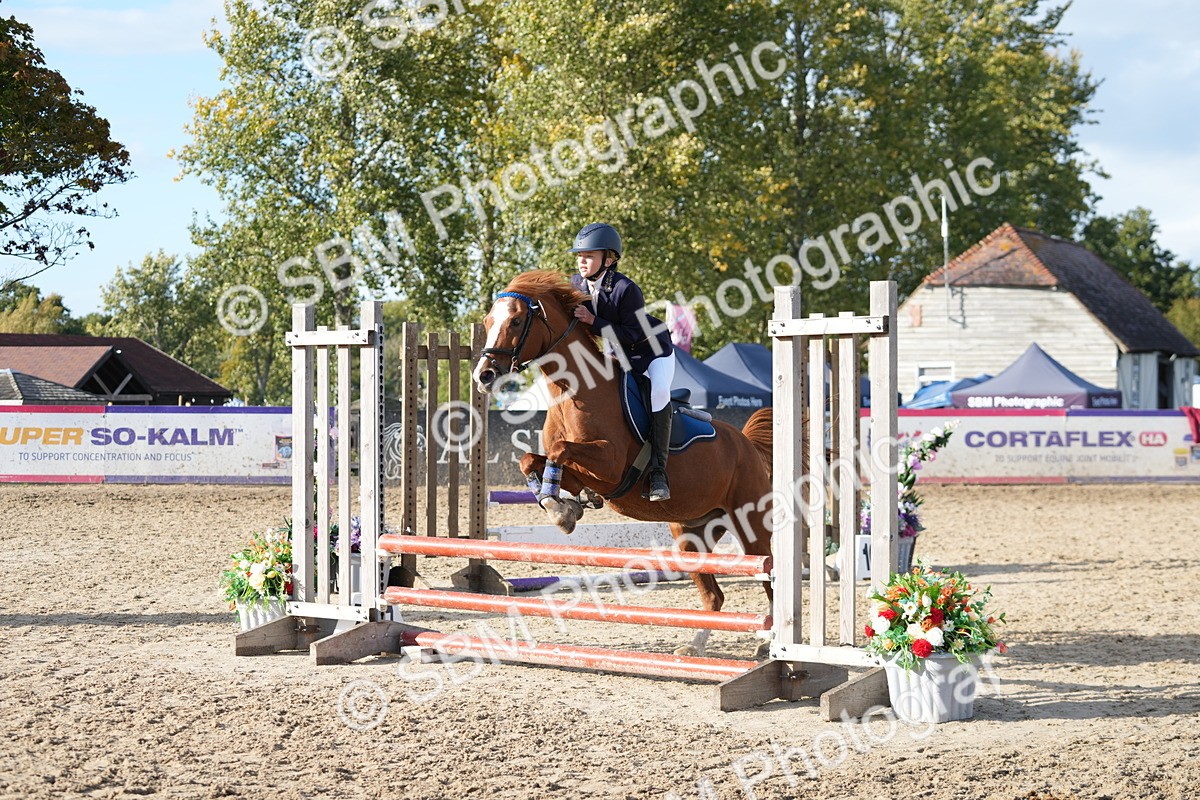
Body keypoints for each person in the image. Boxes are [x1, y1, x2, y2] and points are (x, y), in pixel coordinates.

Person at [568, 223, 676, 501]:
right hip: (617, 353)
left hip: (652, 351)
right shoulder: (575, 284)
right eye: (580, 256)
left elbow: (633, 333)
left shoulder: (626, 289)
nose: (582, 261)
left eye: (589, 256)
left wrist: (594, 321)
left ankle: (658, 472)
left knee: (658, 393)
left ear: (608, 260)